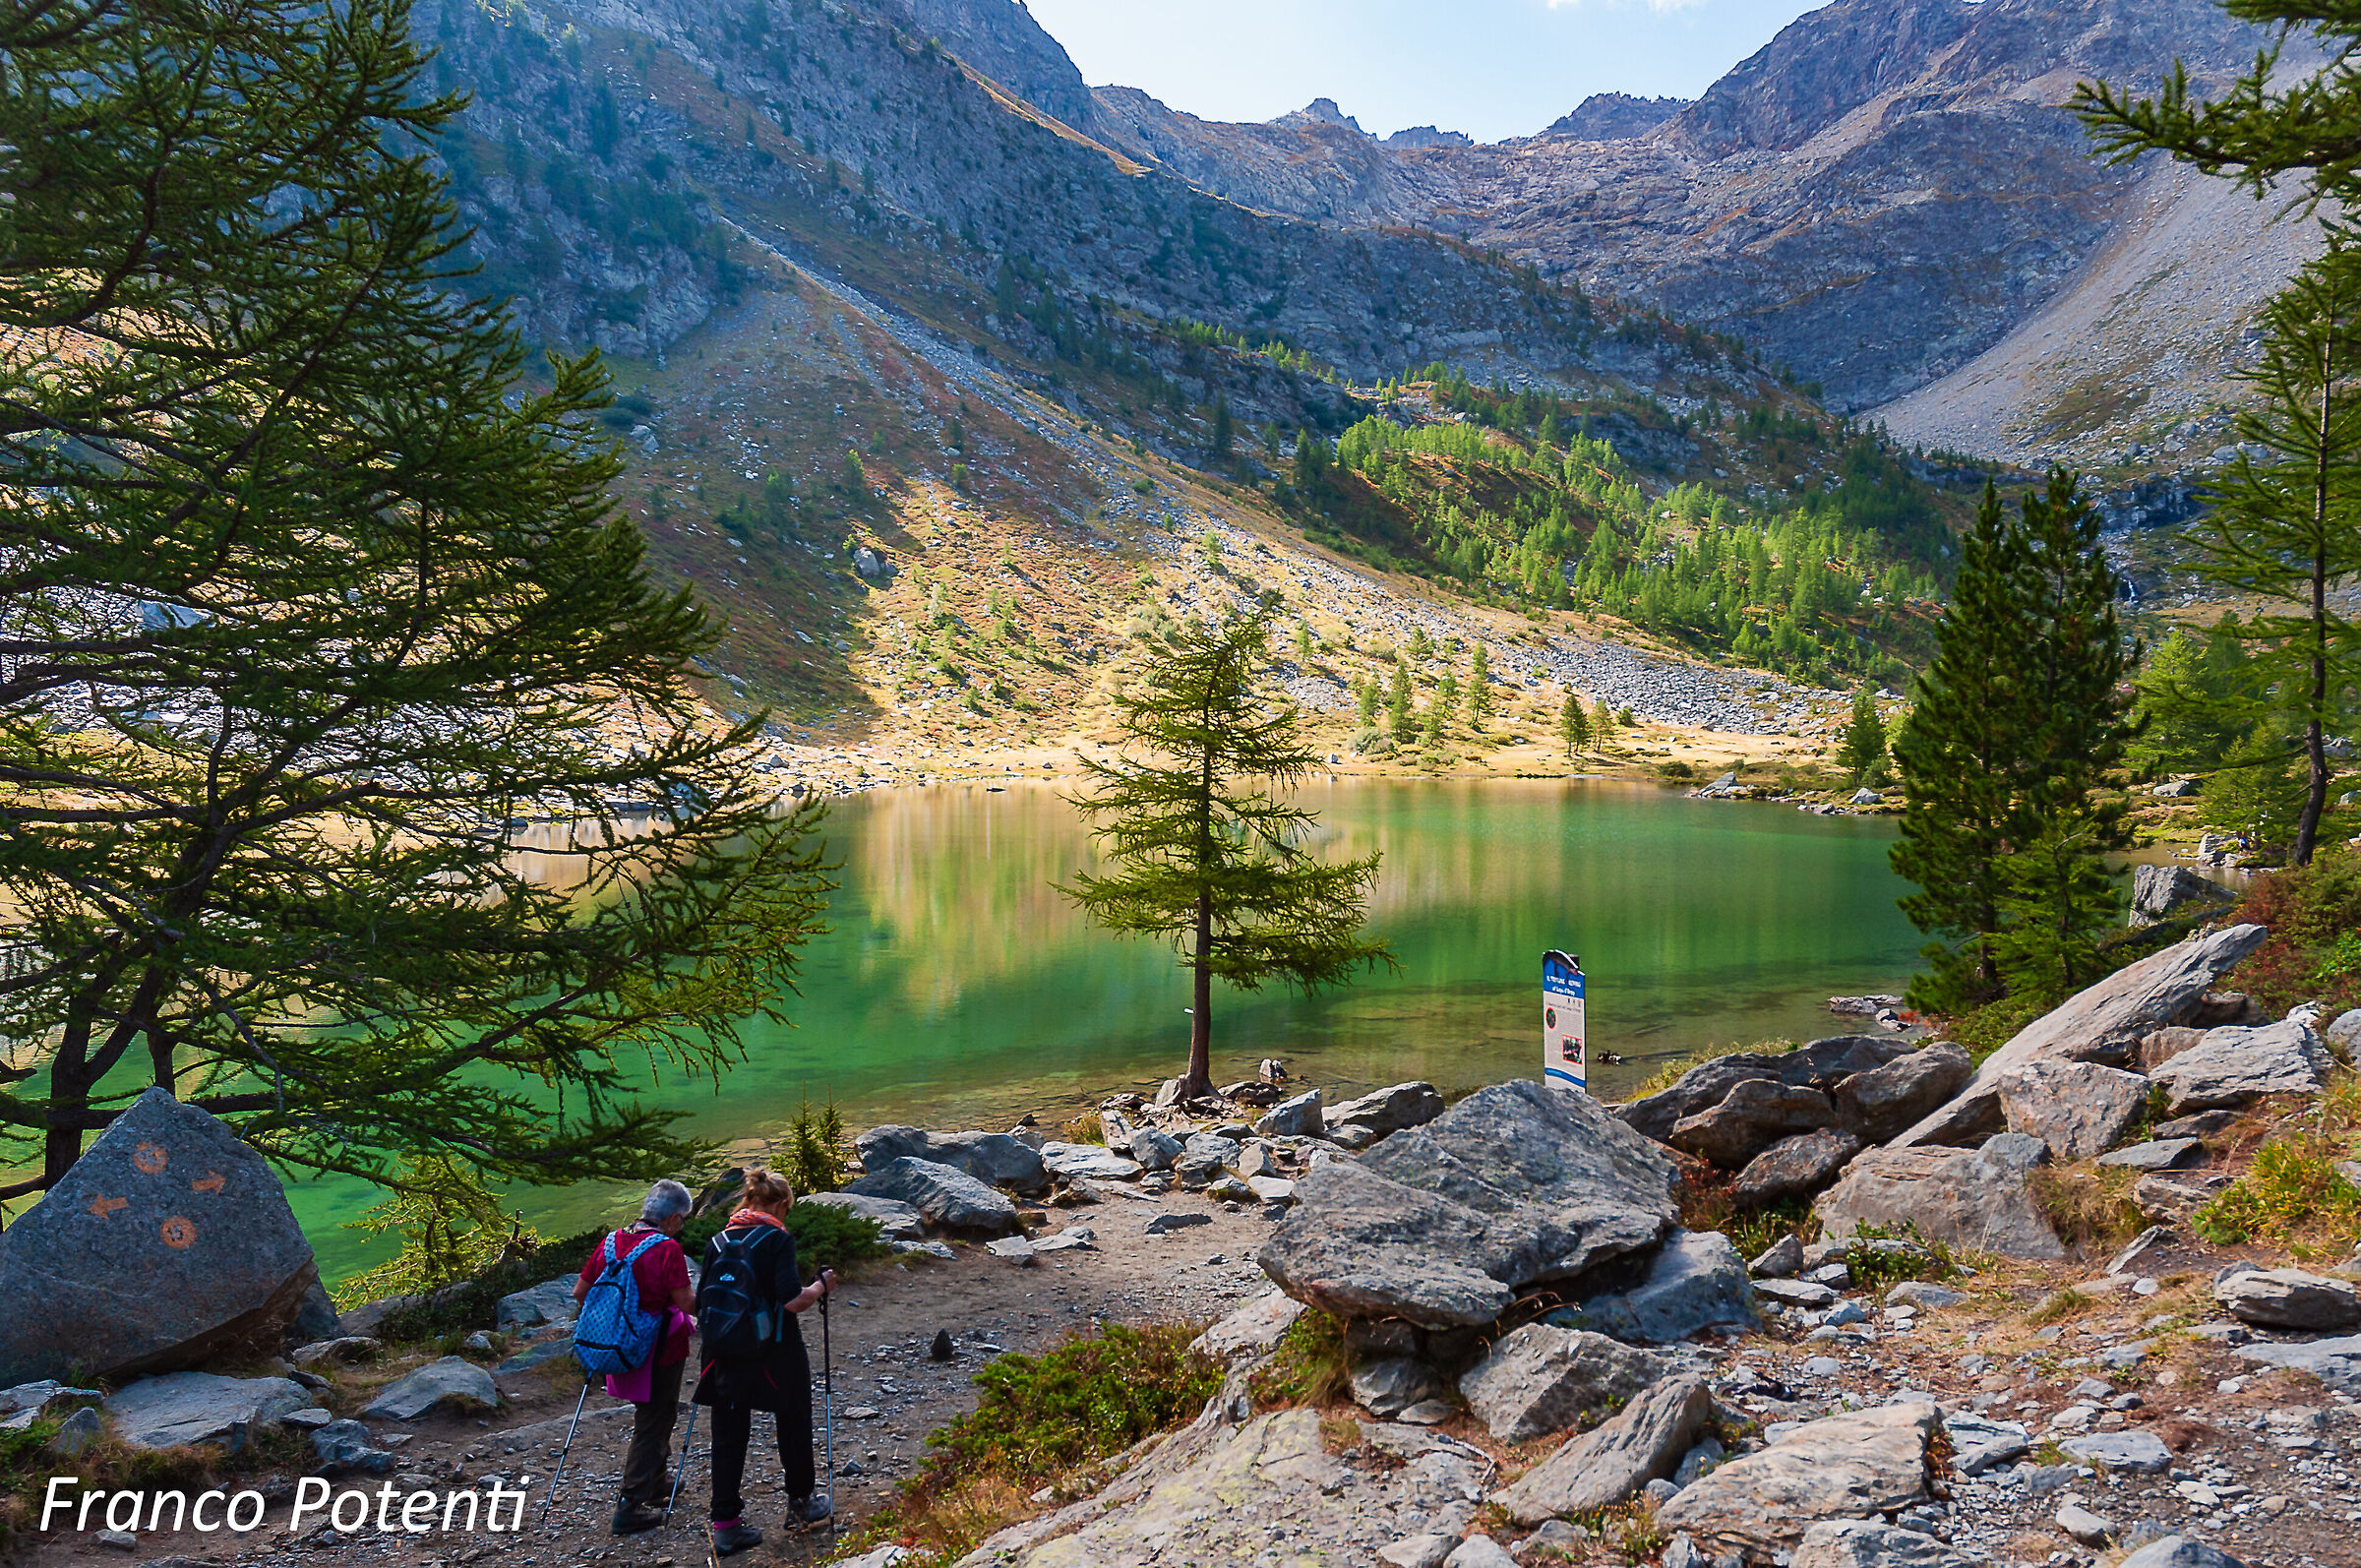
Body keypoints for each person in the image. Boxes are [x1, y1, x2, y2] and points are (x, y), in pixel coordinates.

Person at [693, 1168, 836, 1558]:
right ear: (780, 1203)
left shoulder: (718, 1239)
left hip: (722, 1350)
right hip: (774, 1350)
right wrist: (822, 1285)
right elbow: (791, 1299)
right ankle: (801, 1505)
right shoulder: (776, 1238)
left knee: (728, 1434)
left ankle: (725, 1526)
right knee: (792, 1420)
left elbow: (700, 1299)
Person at [573, 1178, 697, 1536]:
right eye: (682, 1219)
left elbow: (581, 1292)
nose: (681, 1226)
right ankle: (630, 1503)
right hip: (659, 1348)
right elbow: (686, 1302)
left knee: (656, 1414)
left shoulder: (612, 1241)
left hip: (617, 1345)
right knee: (655, 1418)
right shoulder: (666, 1248)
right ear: (672, 1219)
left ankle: (658, 1484)